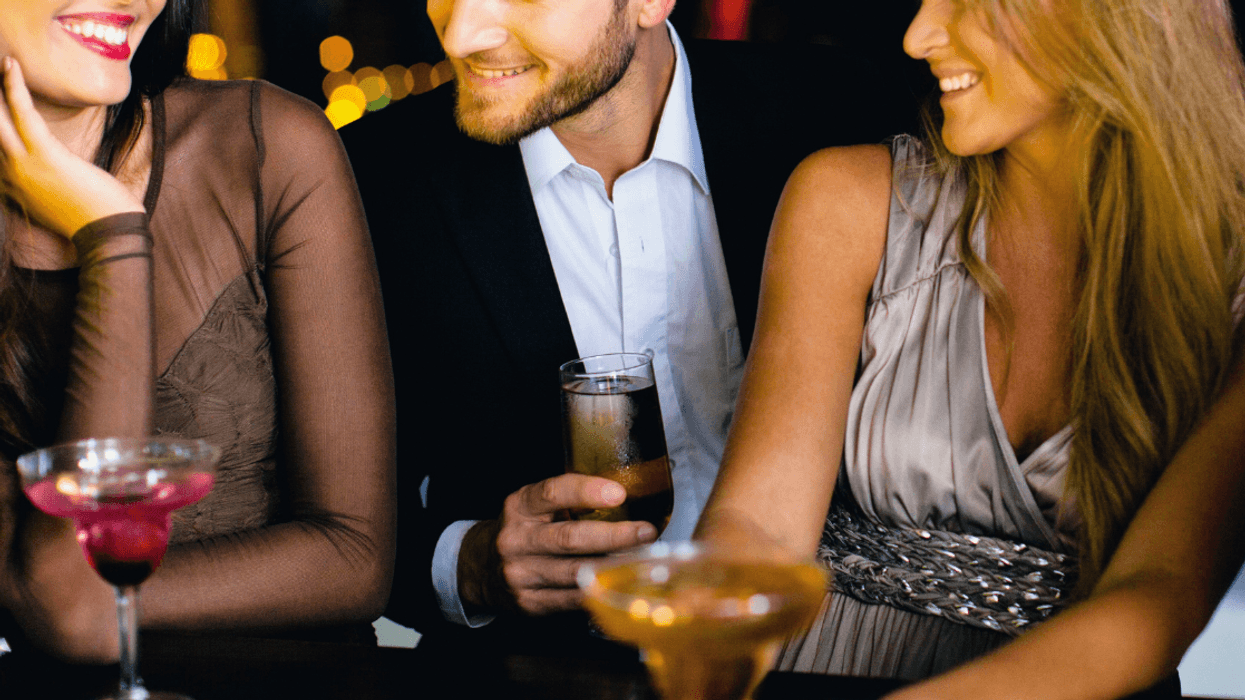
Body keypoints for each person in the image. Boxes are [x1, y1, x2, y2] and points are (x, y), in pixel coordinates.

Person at [696, 0, 1245, 696]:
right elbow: (761, 530)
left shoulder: (1228, 277)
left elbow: (1157, 593)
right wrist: (704, 648)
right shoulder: (846, 201)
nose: (916, 35)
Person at [342, 0, 913, 648]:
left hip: (836, 656)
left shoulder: (848, 111)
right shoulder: (371, 177)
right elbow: (328, 522)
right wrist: (466, 564)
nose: (460, 32)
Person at [0, 0, 395, 659]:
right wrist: (113, 243)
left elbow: (354, 555)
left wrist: (102, 601)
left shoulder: (270, 147)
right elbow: (72, 605)